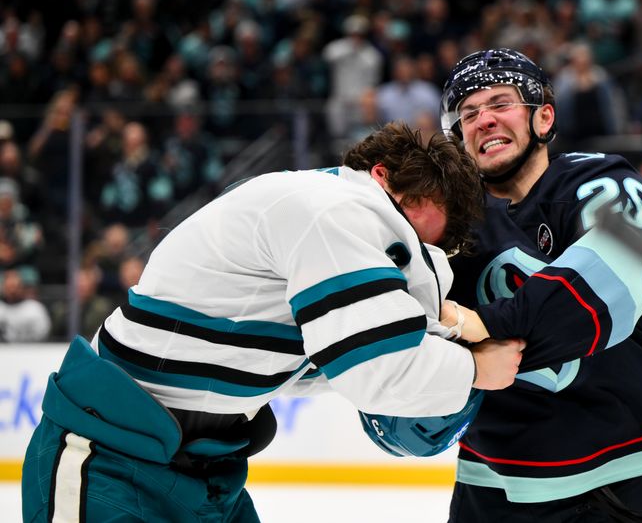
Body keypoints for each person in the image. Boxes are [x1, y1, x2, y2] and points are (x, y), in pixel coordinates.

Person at [21, 122, 524, 522]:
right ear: (382, 177)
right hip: (111, 461)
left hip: (198, 472)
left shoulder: (309, 207)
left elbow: (323, 358)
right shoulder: (335, 210)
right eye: (419, 219)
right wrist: (479, 368)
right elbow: (377, 372)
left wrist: (453, 323)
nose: (414, 249)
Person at [435, 49, 642, 521]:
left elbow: (592, 301)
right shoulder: (450, 226)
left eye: (500, 103)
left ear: (543, 117)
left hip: (631, 482)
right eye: (468, 113)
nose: (483, 119)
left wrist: (471, 328)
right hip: (494, 488)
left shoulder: (598, 182)